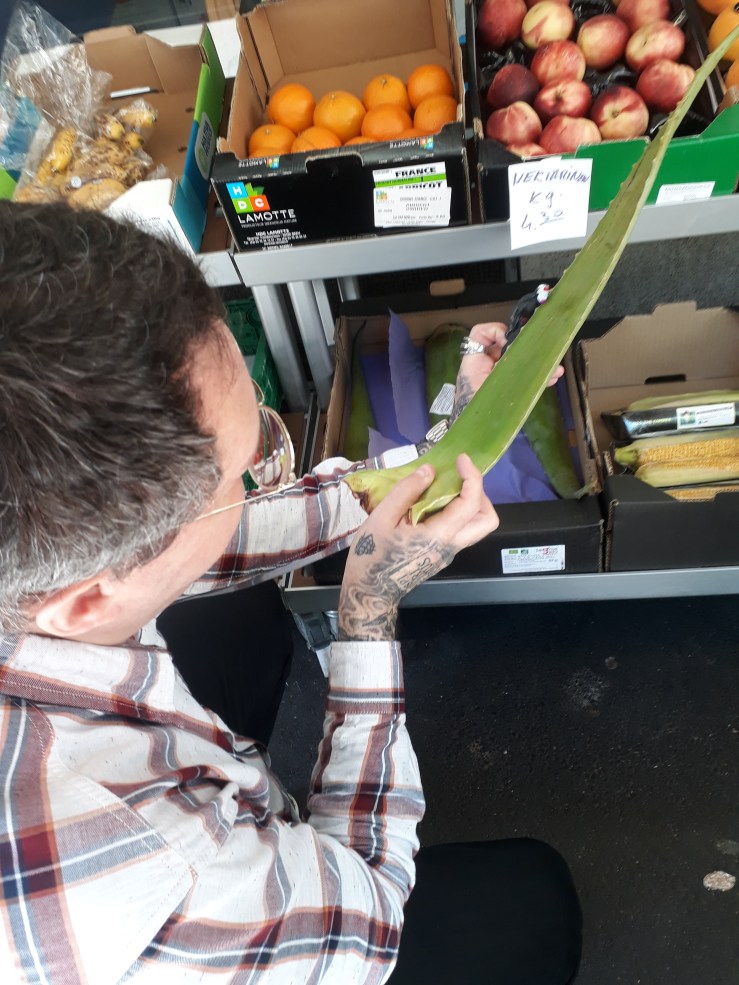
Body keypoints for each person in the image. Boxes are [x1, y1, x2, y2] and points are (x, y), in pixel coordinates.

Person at [0, 201, 581, 983]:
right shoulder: (154, 869)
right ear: (85, 600)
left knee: (234, 613)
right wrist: (368, 610)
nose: (260, 481)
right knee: (531, 901)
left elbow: (216, 532)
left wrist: (449, 442)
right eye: (236, 480)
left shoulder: (39, 565)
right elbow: (371, 916)